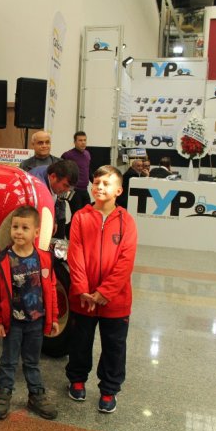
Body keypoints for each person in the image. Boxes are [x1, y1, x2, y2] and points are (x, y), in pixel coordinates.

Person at [65, 165, 137, 414]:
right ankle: (76, 379)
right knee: (79, 342)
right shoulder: (81, 217)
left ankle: (109, 390)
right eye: (96, 182)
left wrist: (105, 292)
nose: (99, 187)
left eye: (106, 183)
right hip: (83, 299)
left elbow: (126, 261)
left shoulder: (126, 221)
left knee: (114, 346)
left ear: (119, 190)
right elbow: (75, 255)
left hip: (115, 301)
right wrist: (83, 289)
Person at [0, 205, 59, 421]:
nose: (18, 232)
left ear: (36, 233)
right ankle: (3, 394)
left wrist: (53, 318)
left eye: (24, 228)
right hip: (13, 323)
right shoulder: (2, 262)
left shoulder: (44, 259)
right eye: (15, 227)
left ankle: (36, 394)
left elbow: (51, 289)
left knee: (32, 361)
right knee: (8, 361)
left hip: (36, 322)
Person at [29, 160, 79, 239]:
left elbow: (54, 199)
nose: (66, 190)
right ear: (53, 177)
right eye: (65, 185)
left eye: (69, 187)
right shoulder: (37, 188)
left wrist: (54, 220)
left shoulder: (53, 173)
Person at [61, 131, 92, 227]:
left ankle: (69, 230)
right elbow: (60, 170)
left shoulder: (87, 154)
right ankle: (71, 234)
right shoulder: (68, 155)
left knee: (88, 214)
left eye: (84, 140)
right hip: (73, 190)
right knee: (76, 215)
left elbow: (88, 170)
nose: (83, 142)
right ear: (75, 142)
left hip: (84, 189)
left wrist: (95, 182)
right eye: (80, 140)